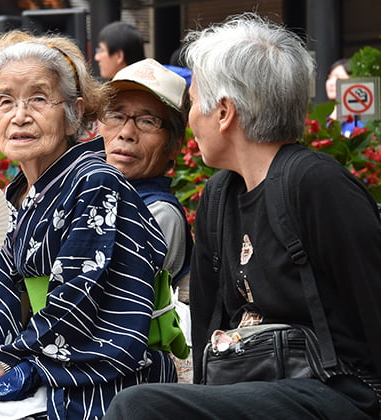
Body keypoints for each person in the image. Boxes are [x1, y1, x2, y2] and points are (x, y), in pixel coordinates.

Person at [103, 13, 381, 419]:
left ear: (224, 112)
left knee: (139, 406)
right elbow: (209, 330)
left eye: (195, 102)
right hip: (254, 385)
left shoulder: (317, 184)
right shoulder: (218, 195)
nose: (192, 117)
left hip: (337, 392)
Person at [0, 35, 175, 420]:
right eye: (5, 101)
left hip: (97, 387)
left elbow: (75, 311)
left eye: (39, 99)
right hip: (38, 375)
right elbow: (1, 319)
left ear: (73, 112)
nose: (20, 115)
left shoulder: (96, 183)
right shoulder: (16, 200)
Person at [99, 58, 194, 380]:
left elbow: (102, 302)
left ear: (174, 146)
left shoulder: (158, 214)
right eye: (116, 115)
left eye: (148, 121)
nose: (126, 133)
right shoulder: (90, 193)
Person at [325, 58, 364, 137]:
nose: (331, 83)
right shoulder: (323, 117)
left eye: (338, 78)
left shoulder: (363, 119)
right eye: (329, 78)